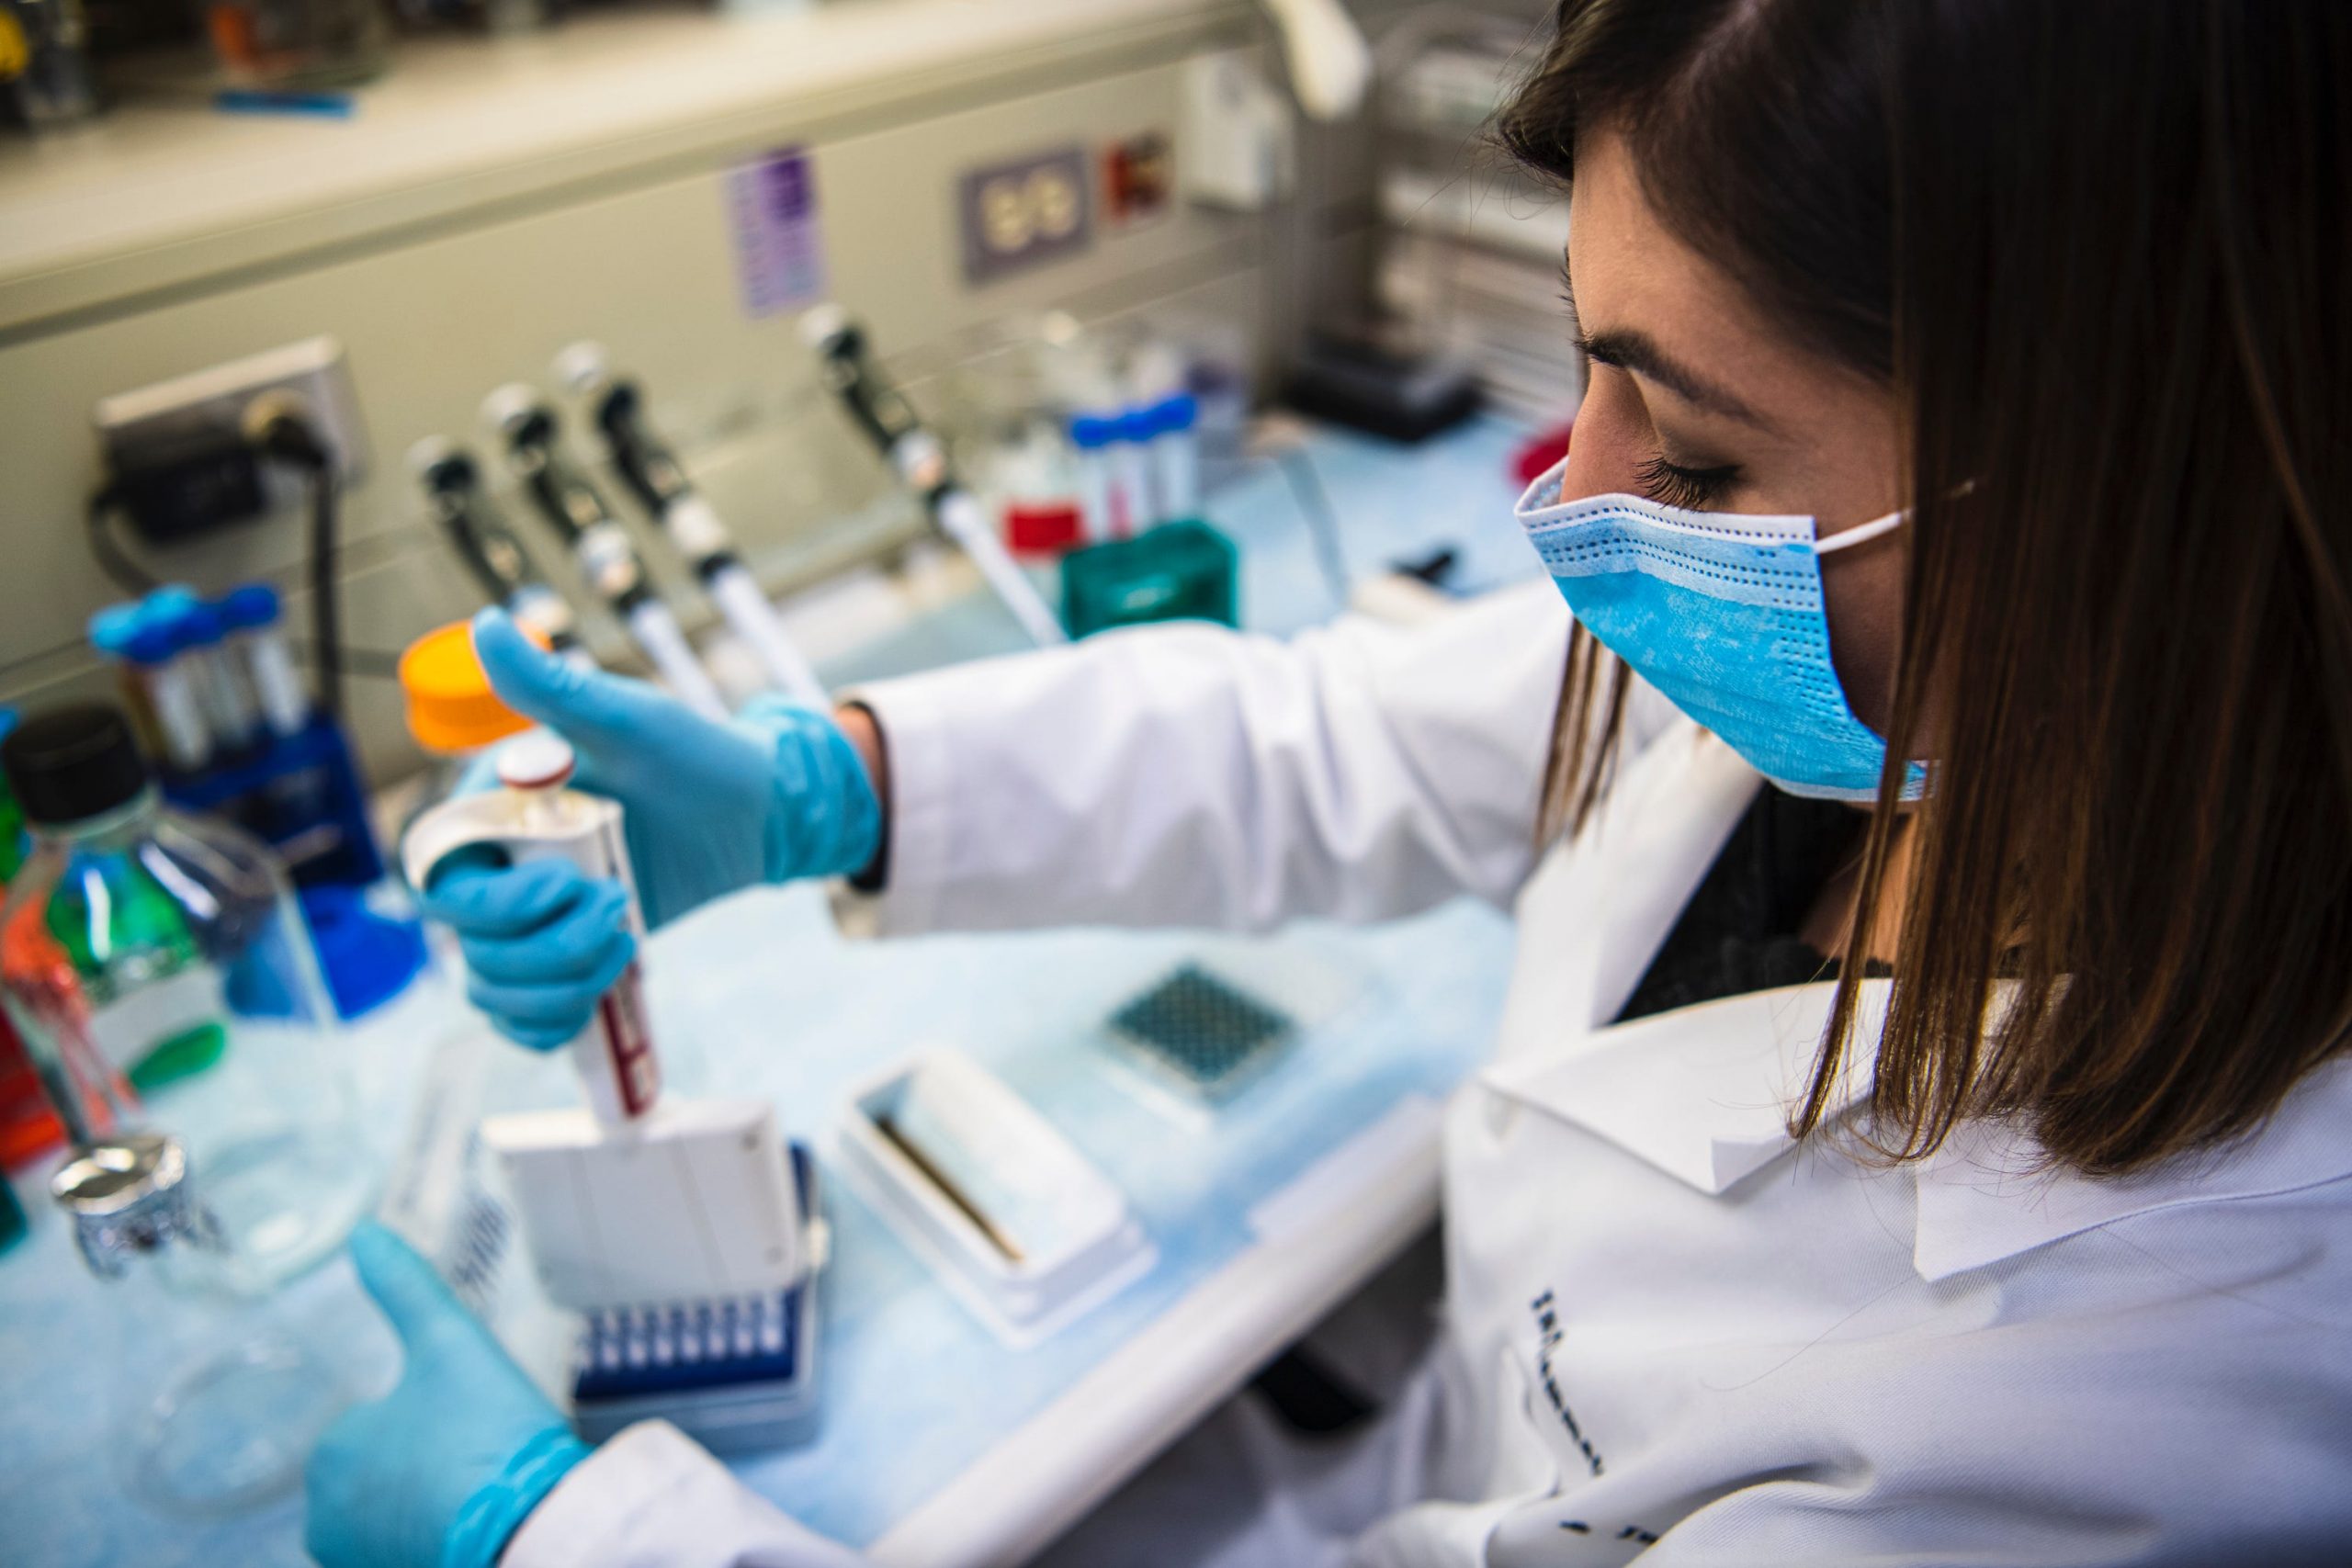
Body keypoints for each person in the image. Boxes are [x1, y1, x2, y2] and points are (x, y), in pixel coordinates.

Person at [307, 0, 2352, 1563]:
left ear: (2147, 497)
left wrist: (564, 1532)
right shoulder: (1892, 674)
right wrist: (829, 781)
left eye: (1705, 453)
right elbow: (1337, 736)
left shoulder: (2133, 1404)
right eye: (1592, 364)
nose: (1580, 494)